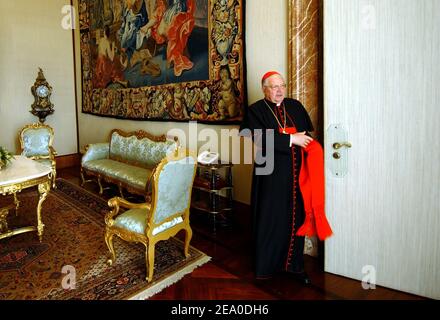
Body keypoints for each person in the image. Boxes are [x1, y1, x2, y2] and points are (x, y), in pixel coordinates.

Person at [239, 71, 316, 284]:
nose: (280, 90)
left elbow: (306, 135)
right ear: (264, 89)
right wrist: (291, 139)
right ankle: (267, 267)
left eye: (282, 85)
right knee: (271, 218)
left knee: (295, 217)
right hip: (270, 173)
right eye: (274, 87)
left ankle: (295, 266)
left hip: (297, 173)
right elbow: (258, 138)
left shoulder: (295, 106)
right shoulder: (256, 110)